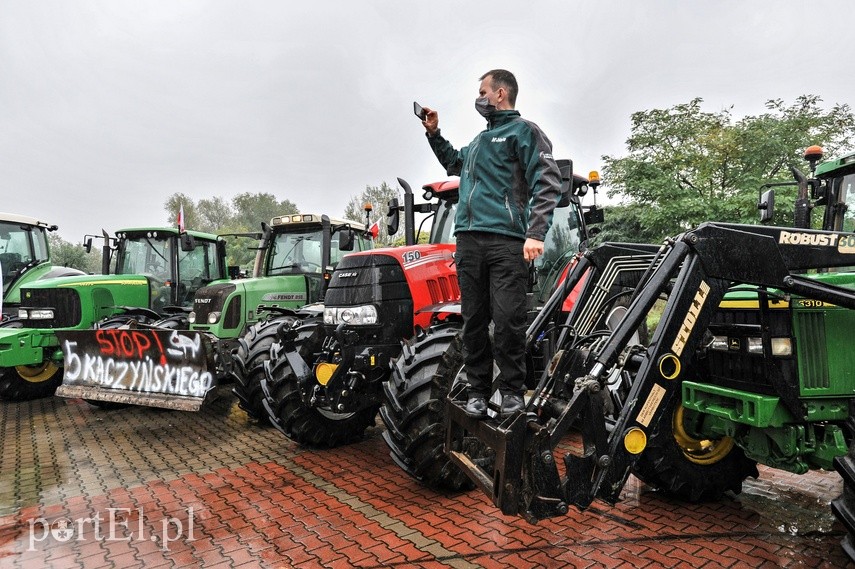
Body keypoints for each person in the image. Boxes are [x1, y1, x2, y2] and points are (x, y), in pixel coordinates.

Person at [420, 69, 563, 419]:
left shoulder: (524, 132)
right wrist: (434, 133)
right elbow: (455, 162)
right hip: (468, 242)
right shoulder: (480, 142)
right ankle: (478, 391)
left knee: (508, 320)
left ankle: (513, 392)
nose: (479, 97)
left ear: (500, 94)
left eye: (483, 91)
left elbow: (548, 181)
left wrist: (536, 232)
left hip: (506, 243)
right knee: (473, 321)